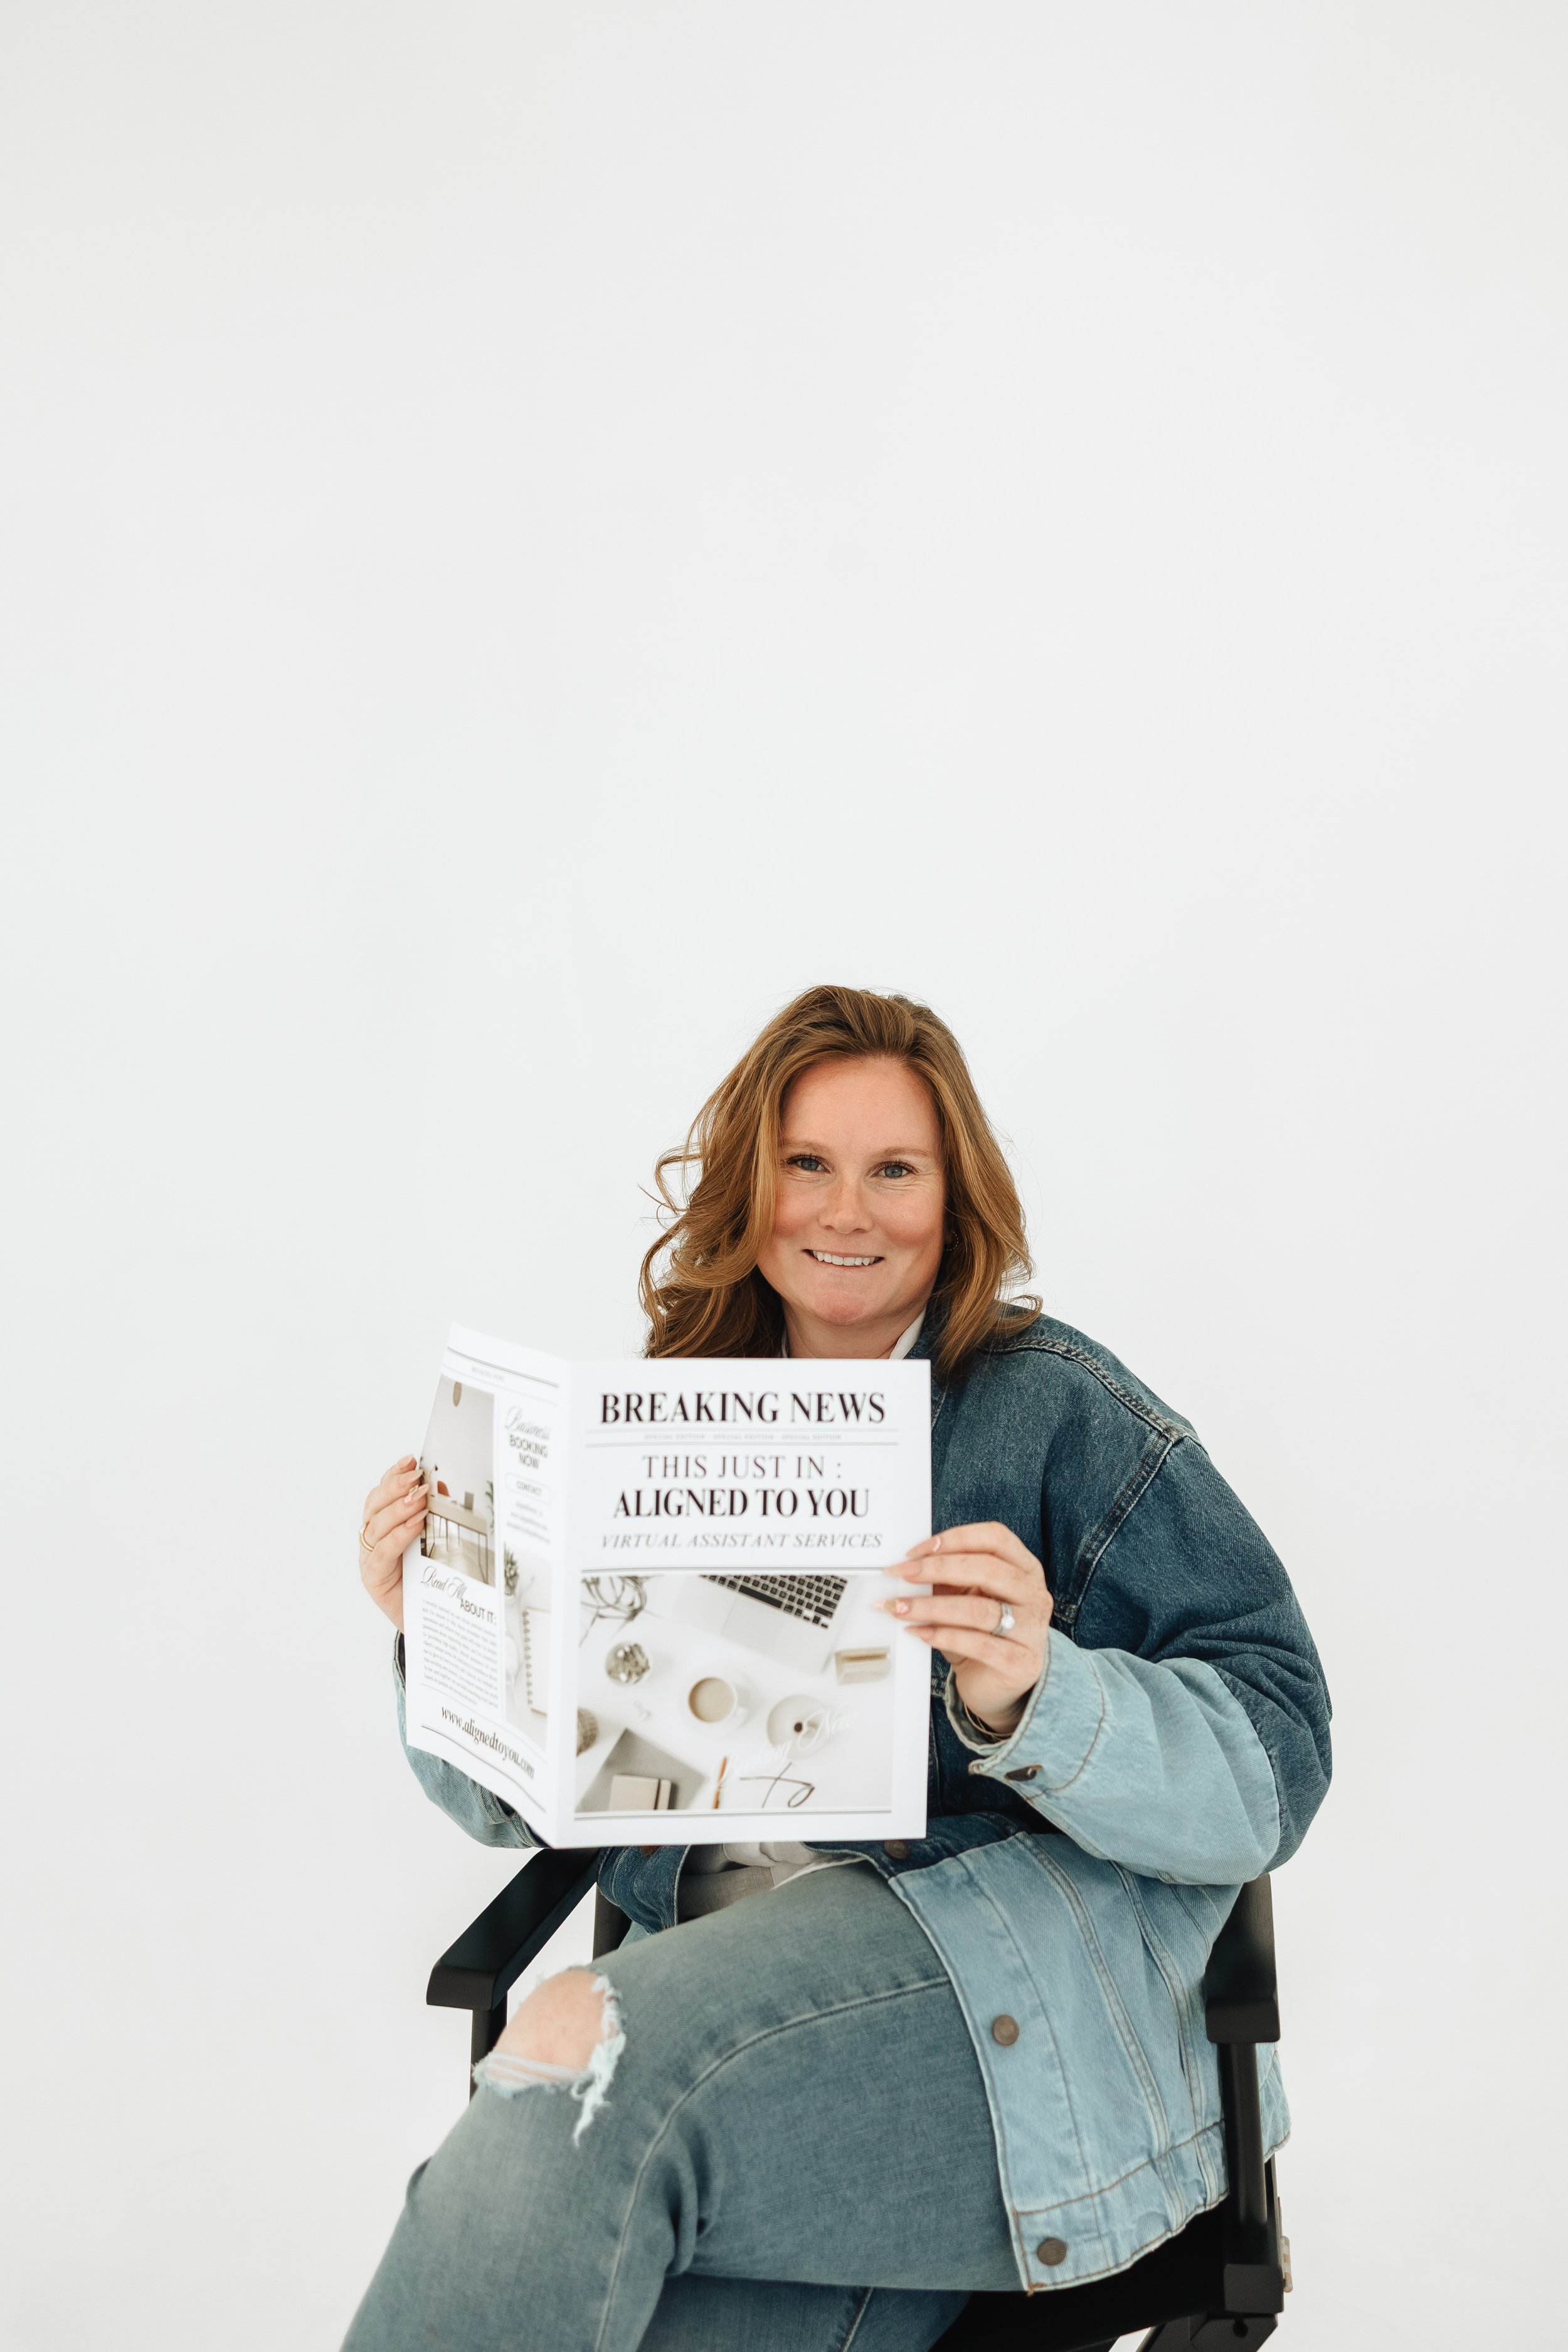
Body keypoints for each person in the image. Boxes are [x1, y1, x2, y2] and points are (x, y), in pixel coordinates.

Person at [347, 985, 1331, 2352]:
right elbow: (523, 1799)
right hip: (727, 2006)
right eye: (806, 1163)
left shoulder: (1056, 1410)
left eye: (894, 1170)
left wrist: (1038, 1695)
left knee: (572, 2054)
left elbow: (1275, 1763)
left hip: (977, 1992)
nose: (846, 1212)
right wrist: (443, 1625)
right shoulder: (657, 1420)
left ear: (956, 1195)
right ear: (750, 1186)